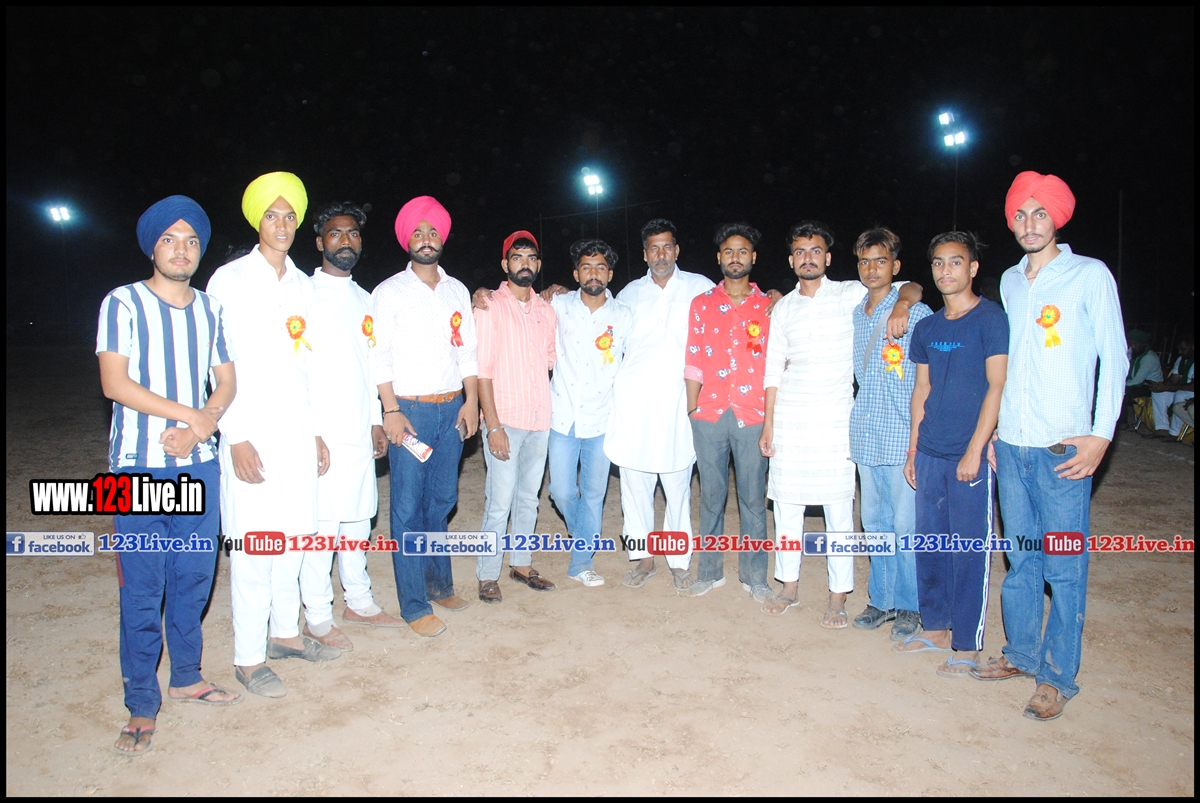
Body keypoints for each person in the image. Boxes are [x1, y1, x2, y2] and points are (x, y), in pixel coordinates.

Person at [975, 171, 1128, 722]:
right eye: (1021, 214)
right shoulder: (1011, 281)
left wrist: (1101, 435)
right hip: (1014, 444)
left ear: (1058, 218)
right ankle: (1020, 653)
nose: (1030, 223)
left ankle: (1058, 676)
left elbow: (1115, 356)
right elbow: (1010, 363)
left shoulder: (1089, 275)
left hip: (1063, 446)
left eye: (1040, 213)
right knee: (1021, 559)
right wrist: (996, 429)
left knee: (1064, 566)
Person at [99, 195, 241, 754]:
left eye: (191, 241)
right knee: (142, 588)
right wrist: (190, 416)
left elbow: (226, 382)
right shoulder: (123, 303)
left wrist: (202, 427)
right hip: (137, 468)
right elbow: (115, 383)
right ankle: (141, 702)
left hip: (199, 468)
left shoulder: (210, 309)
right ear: (152, 247)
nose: (181, 250)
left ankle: (186, 676)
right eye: (169, 240)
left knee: (193, 579)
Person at [207, 172, 341, 700]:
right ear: (256, 221)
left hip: (296, 432)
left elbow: (308, 367)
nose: (281, 225)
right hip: (251, 431)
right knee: (255, 545)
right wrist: (235, 434)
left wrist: (316, 432)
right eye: (271, 216)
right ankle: (248, 657)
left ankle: (286, 634)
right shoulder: (229, 280)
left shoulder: (304, 286)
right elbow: (217, 364)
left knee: (295, 539)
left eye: (289, 216)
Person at [760, 221, 922, 626]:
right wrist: (769, 424)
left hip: (836, 419)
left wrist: (904, 304)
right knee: (787, 508)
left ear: (828, 258)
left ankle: (838, 596)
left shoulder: (850, 293)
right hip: (791, 419)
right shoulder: (784, 308)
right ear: (791, 260)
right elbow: (772, 368)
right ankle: (789, 586)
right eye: (800, 252)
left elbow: (910, 286)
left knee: (839, 511)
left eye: (815, 251)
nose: (808, 258)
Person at [895, 232, 1008, 679]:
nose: (946, 270)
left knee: (968, 548)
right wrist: (913, 448)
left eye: (956, 262)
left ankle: (966, 641)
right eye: (939, 263)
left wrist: (975, 449)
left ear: (973, 268)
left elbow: (997, 385)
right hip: (929, 450)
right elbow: (921, 389)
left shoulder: (991, 319)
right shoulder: (928, 328)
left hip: (968, 453)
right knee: (930, 543)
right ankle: (937, 627)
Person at [297, 202, 405, 651]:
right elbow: (295, 368)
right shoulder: (302, 294)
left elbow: (371, 364)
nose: (346, 241)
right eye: (336, 234)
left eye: (354, 234)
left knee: (359, 518)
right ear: (319, 242)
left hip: (360, 429)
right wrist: (310, 431)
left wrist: (377, 419)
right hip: (321, 432)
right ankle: (317, 617)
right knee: (322, 527)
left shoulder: (365, 299)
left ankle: (358, 601)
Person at [373, 196, 478, 637]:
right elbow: (378, 356)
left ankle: (439, 585)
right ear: (407, 241)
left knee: (441, 502)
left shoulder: (457, 291)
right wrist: (391, 410)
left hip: (451, 410)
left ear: (442, 237)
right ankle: (414, 606)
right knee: (408, 509)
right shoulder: (388, 292)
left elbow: (467, 352)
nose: (426, 238)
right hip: (410, 413)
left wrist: (472, 402)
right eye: (417, 232)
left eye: (432, 231)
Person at [606, 219, 715, 590]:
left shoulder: (700, 288)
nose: (661, 254)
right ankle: (643, 559)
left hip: (679, 406)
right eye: (654, 248)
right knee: (635, 484)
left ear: (676, 250)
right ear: (645, 254)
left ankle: (678, 561)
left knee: (677, 485)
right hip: (634, 404)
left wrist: (774, 295)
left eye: (667, 246)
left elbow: (734, 308)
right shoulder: (628, 294)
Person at [681, 223, 775, 602]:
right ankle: (710, 572)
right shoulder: (702, 304)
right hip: (710, 413)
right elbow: (692, 358)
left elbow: (776, 363)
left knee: (753, 500)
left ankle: (756, 577)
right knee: (711, 497)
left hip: (753, 415)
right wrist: (693, 409)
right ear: (719, 257)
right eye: (729, 251)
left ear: (753, 257)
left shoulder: (769, 306)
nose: (736, 257)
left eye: (743, 251)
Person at [848, 228, 932, 640]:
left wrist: (905, 298)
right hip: (866, 435)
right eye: (864, 261)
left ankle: (911, 605)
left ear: (895, 267)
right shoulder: (856, 313)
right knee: (874, 523)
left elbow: (929, 381)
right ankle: (881, 600)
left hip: (902, 435)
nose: (871, 269)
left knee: (906, 526)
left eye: (880, 261)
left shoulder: (915, 313)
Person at [473, 231, 558, 602]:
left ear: (538, 265)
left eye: (531, 258)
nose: (525, 264)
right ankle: (487, 574)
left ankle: (521, 564)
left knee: (529, 498)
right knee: (499, 502)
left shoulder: (546, 310)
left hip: (539, 420)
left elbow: (549, 362)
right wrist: (493, 426)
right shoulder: (489, 306)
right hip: (504, 420)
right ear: (505, 264)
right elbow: (482, 372)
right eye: (517, 257)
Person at [547, 239, 631, 587]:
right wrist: (482, 293)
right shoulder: (557, 305)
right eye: (586, 267)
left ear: (609, 274)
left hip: (602, 420)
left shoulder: (623, 315)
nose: (593, 273)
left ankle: (581, 562)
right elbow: (518, 304)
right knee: (561, 491)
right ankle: (584, 533)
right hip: (562, 416)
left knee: (594, 494)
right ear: (575, 273)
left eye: (600, 267)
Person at [1147, 334, 1194, 439]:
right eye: (1179, 349)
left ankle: (1174, 433)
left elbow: (1192, 387)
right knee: (1158, 392)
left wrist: (1167, 388)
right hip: (1184, 390)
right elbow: (1174, 379)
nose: (1180, 352)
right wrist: (1161, 385)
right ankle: (1162, 427)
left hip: (1190, 392)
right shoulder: (1182, 360)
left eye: (1183, 349)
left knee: (1180, 394)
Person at [1121, 329, 1161, 430]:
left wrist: (1120, 385)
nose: (1133, 347)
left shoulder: (1148, 358)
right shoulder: (1137, 355)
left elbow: (1137, 381)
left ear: (1143, 344)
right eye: (1131, 344)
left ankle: (1123, 422)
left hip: (1151, 387)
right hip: (1141, 384)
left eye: (1135, 344)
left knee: (1123, 392)